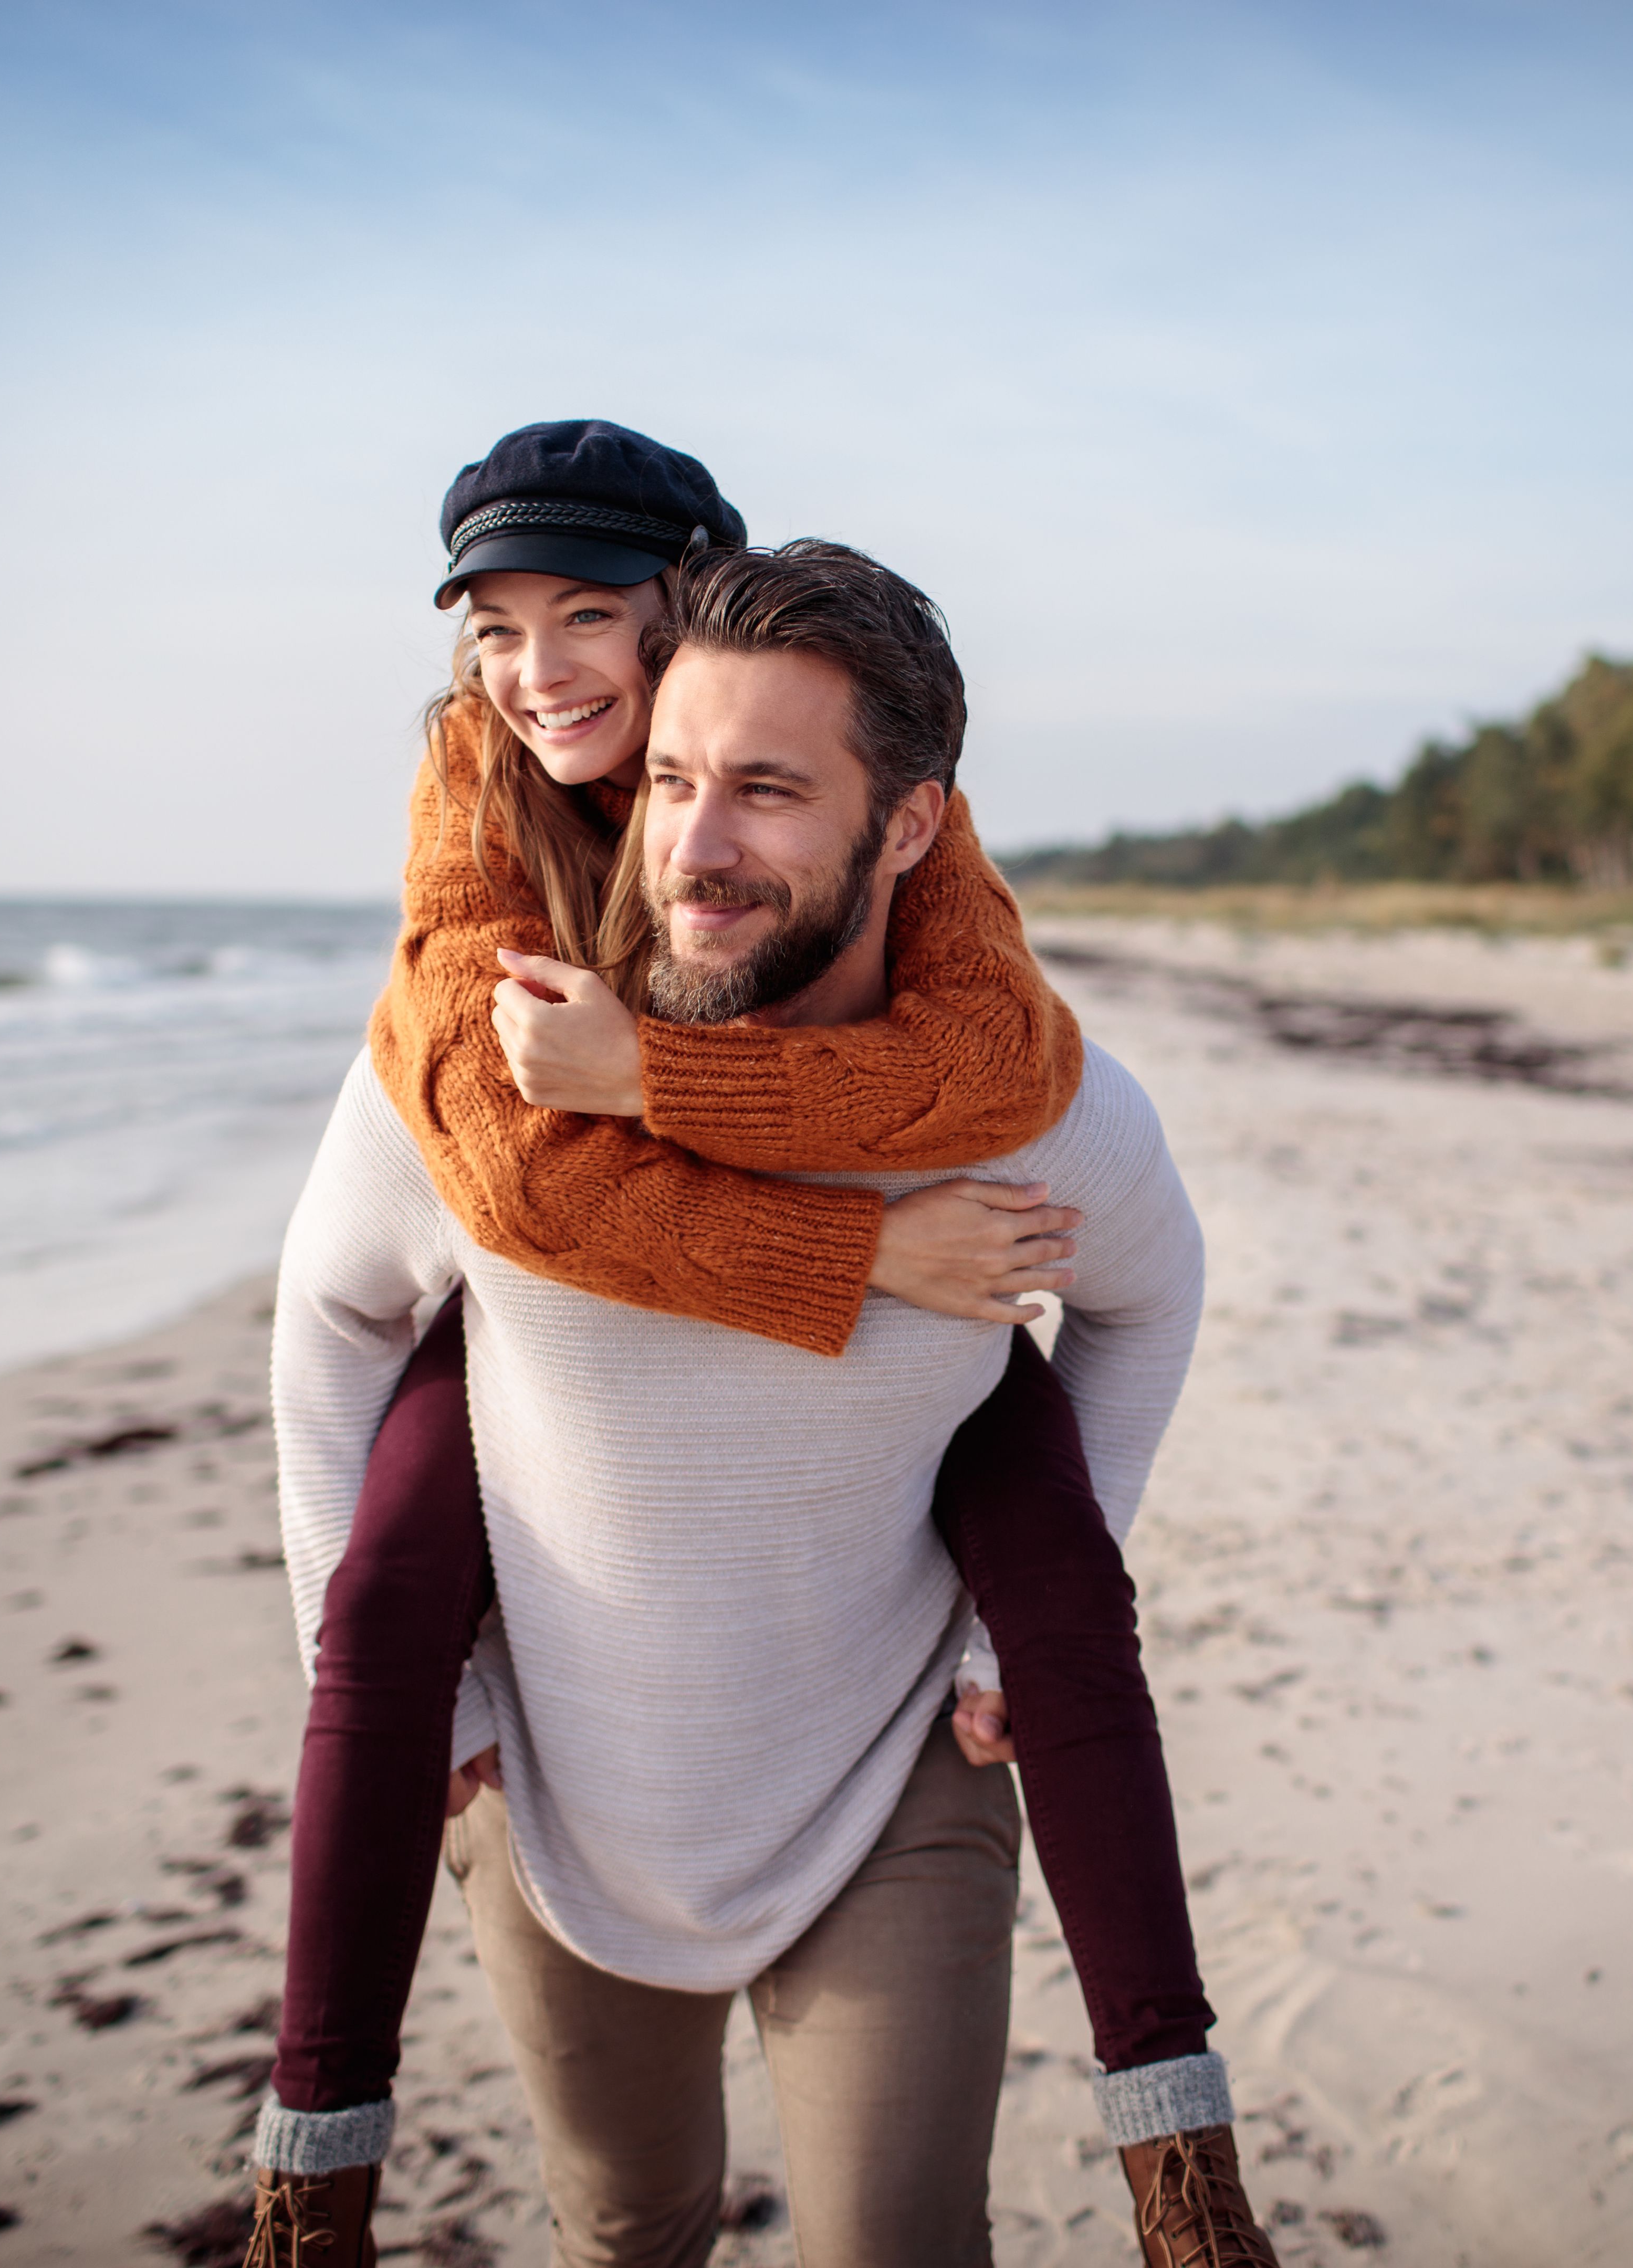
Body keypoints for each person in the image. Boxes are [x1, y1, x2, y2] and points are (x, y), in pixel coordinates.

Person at [253, 446, 1278, 2265]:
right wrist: (427, 1683)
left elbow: (1152, 1290)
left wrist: (998, 1629)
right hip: (560, 1792)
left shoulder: (1007, 1095)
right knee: (625, 2228)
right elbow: (335, 1315)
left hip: (887, 1776)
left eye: (768, 790)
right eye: (668, 783)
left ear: (909, 828)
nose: (697, 842)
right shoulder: (493, 1051)